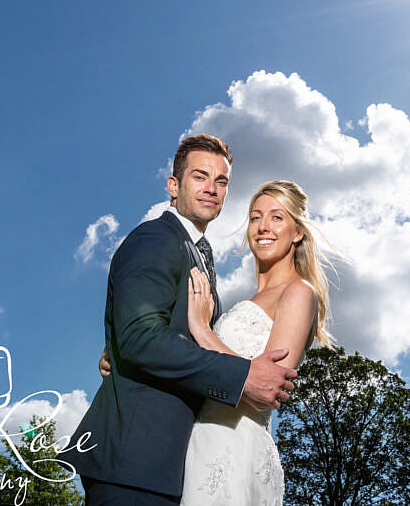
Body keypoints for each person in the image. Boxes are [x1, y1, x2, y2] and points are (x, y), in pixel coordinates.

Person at [69, 135, 297, 505]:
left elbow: (150, 331)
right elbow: (140, 337)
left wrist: (119, 348)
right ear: (174, 186)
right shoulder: (156, 238)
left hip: (177, 464)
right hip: (136, 462)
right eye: (199, 177)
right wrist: (242, 377)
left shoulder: (199, 254)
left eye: (221, 181)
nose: (211, 188)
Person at [179, 180, 333, 505]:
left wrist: (202, 330)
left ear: (298, 232)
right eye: (255, 217)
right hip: (200, 441)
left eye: (277, 217)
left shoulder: (299, 292)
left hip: (238, 447)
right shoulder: (248, 298)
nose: (263, 226)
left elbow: (266, 391)